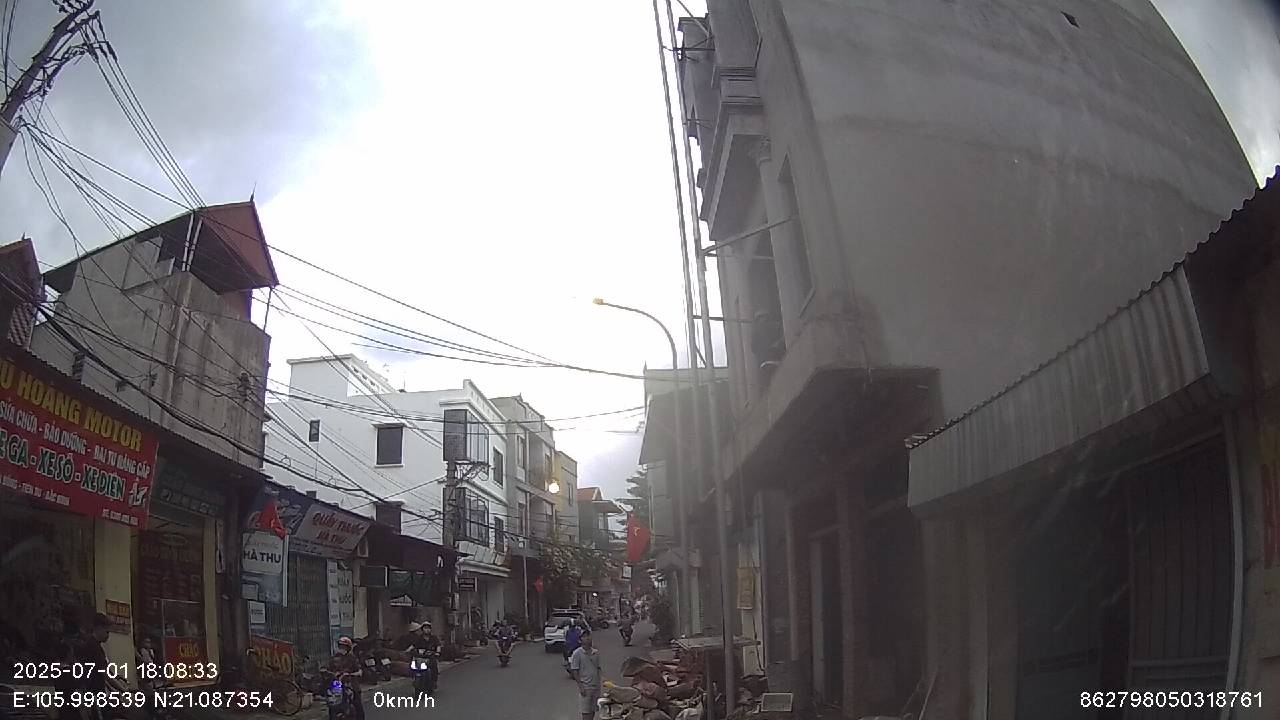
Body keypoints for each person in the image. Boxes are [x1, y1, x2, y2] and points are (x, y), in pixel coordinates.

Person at [326, 636, 364, 720]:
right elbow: (328, 669)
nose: (342, 648)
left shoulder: (352, 658)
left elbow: (359, 671)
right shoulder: (334, 658)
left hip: (350, 683)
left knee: (357, 703)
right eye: (341, 646)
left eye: (344, 646)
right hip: (337, 683)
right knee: (332, 703)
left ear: (348, 647)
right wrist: (330, 673)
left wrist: (352, 674)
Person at [568, 628, 602, 720]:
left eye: (589, 636)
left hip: (596, 686)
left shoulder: (595, 653)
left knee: (593, 710)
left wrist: (601, 681)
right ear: (580, 640)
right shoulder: (577, 653)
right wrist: (581, 686)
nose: (588, 638)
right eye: (585, 636)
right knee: (586, 712)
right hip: (586, 687)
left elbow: (598, 668)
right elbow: (575, 671)